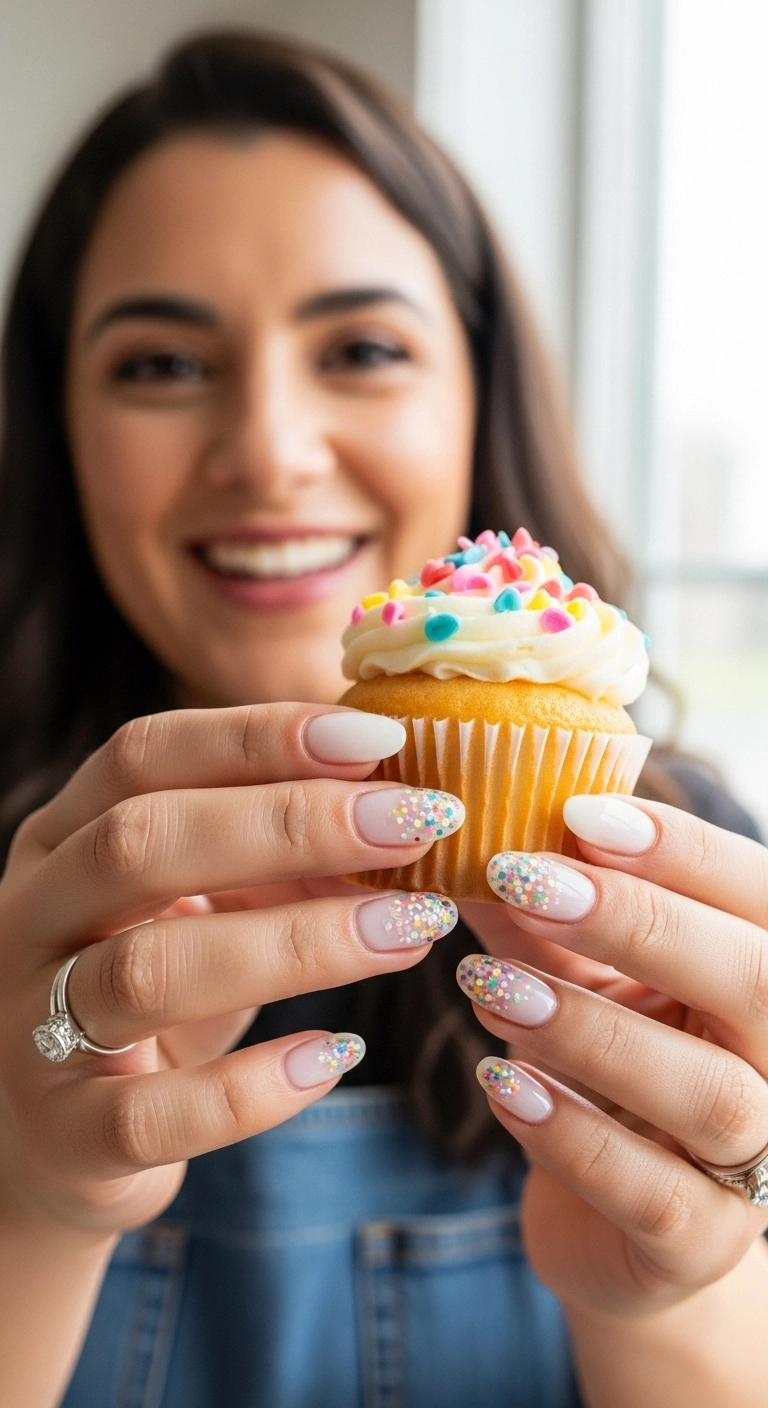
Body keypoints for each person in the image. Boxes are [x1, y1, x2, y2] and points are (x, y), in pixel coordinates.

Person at [0, 30, 766, 1408]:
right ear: (58, 423)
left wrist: (667, 1289)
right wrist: (34, 1203)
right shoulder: (18, 900)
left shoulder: (682, 887)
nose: (271, 450)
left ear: (479, 392)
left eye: (360, 346)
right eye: (162, 365)